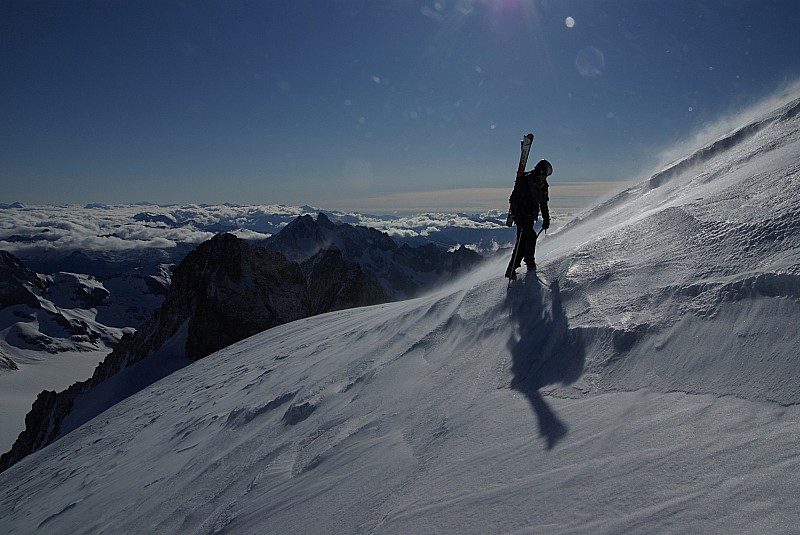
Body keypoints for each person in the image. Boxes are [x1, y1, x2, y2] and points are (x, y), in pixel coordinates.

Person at [505, 159, 552, 279]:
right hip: (521, 216)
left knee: (522, 242)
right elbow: (513, 199)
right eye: (544, 175)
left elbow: (543, 203)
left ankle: (511, 269)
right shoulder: (525, 181)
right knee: (530, 236)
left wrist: (546, 219)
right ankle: (530, 262)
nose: (545, 178)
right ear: (540, 172)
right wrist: (520, 211)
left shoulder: (543, 186)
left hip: (530, 216)